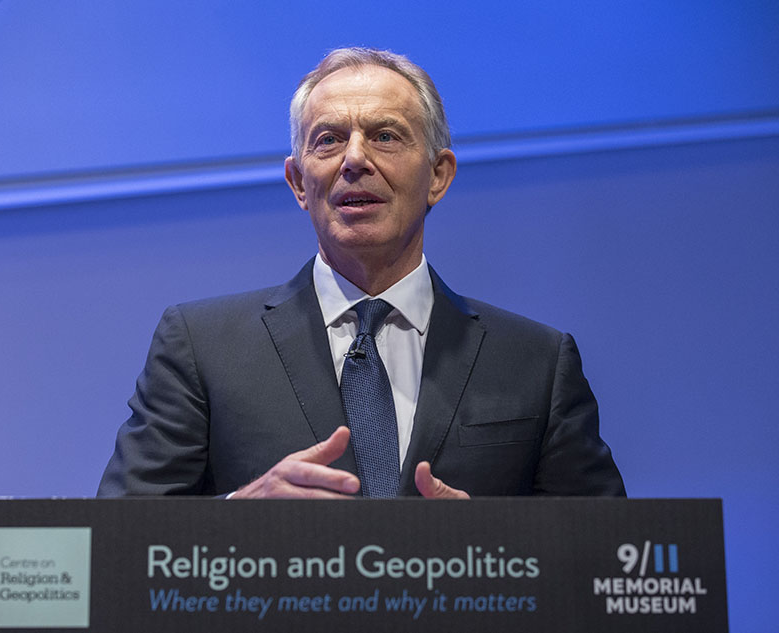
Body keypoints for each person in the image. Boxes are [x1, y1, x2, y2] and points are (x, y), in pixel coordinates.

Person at [97, 47, 624, 500]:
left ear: (438, 176)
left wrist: (493, 542)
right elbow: (114, 543)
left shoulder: (537, 362)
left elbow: (607, 556)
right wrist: (237, 515)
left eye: (386, 136)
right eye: (327, 139)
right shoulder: (201, 347)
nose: (354, 159)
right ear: (299, 182)